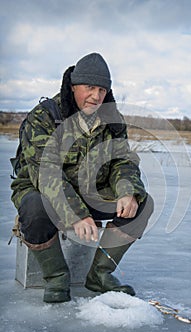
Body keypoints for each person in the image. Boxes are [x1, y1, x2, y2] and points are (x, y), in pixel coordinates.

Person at [11, 52, 154, 303]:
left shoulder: (112, 119)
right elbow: (47, 173)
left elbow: (121, 161)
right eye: (89, 87)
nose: (96, 96)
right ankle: (56, 277)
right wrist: (76, 214)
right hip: (43, 190)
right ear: (73, 86)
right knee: (34, 207)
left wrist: (127, 191)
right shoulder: (44, 117)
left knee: (142, 204)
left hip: (91, 192)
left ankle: (100, 274)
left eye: (102, 89)